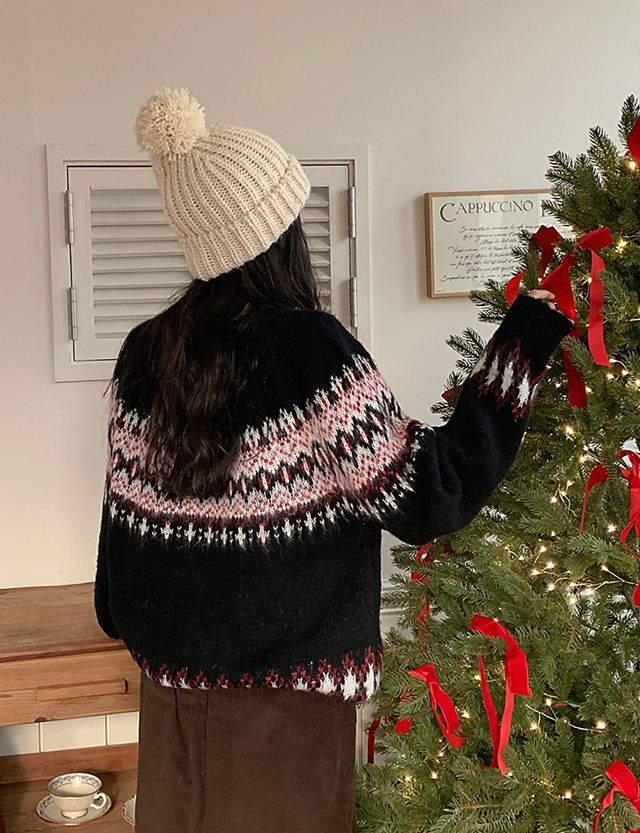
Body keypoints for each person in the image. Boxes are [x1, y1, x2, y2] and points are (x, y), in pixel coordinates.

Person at [93, 88, 572, 833]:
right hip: (286, 708)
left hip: (170, 693)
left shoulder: (144, 350)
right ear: (277, 236)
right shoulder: (310, 351)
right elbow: (430, 494)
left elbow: (123, 525)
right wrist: (525, 343)